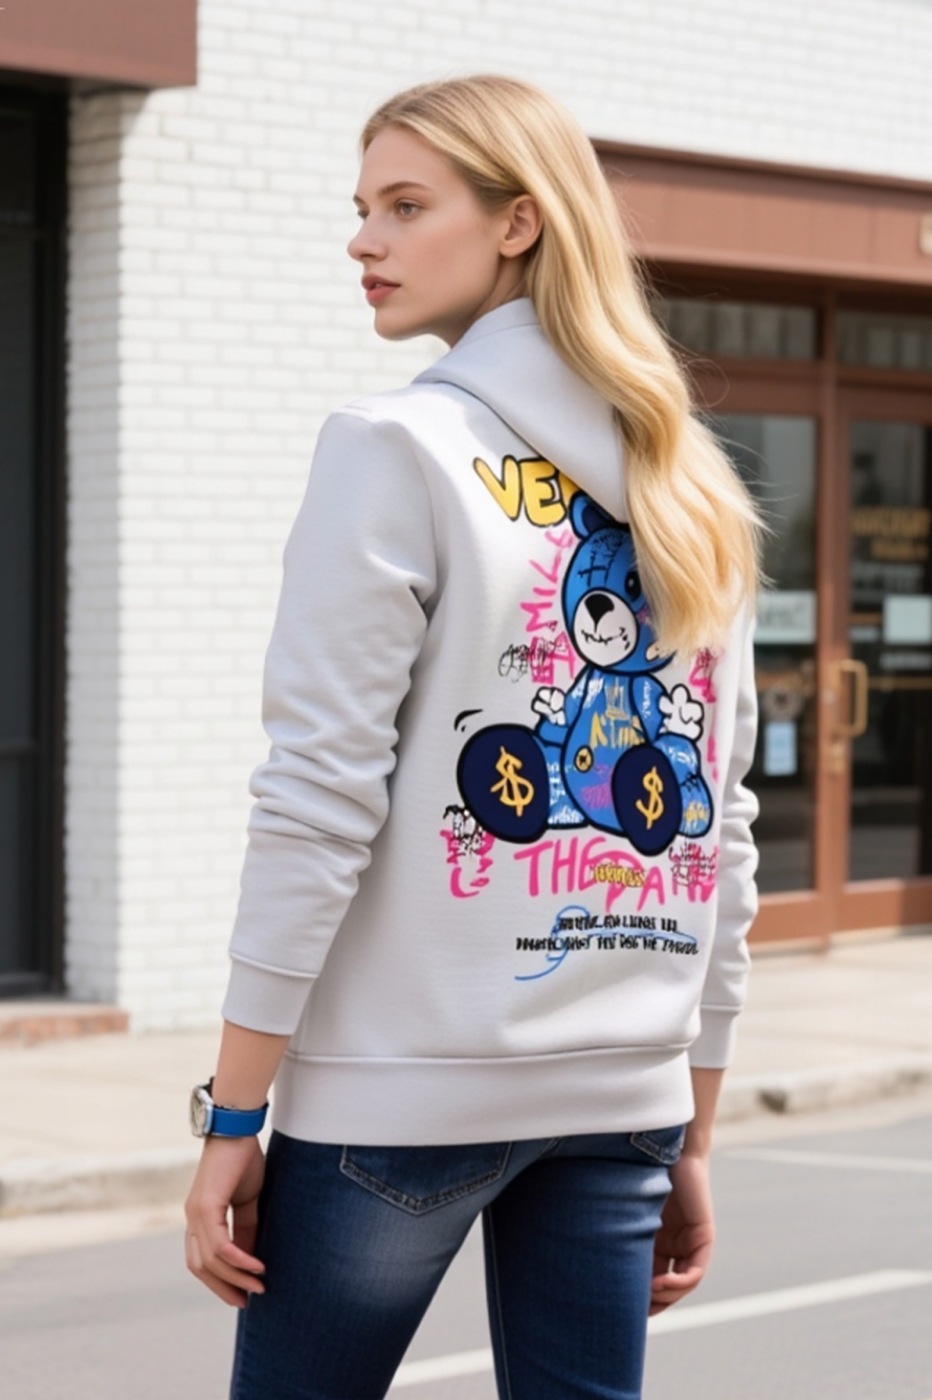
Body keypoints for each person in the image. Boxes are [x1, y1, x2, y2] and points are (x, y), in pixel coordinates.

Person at [184, 73, 763, 1400]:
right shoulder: (692, 484)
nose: (363, 240)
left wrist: (232, 1112)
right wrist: (695, 1122)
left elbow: (318, 800)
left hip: (403, 1092)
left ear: (518, 221)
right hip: (625, 1098)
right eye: (362, 208)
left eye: (405, 205)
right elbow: (718, 836)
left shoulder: (396, 448)